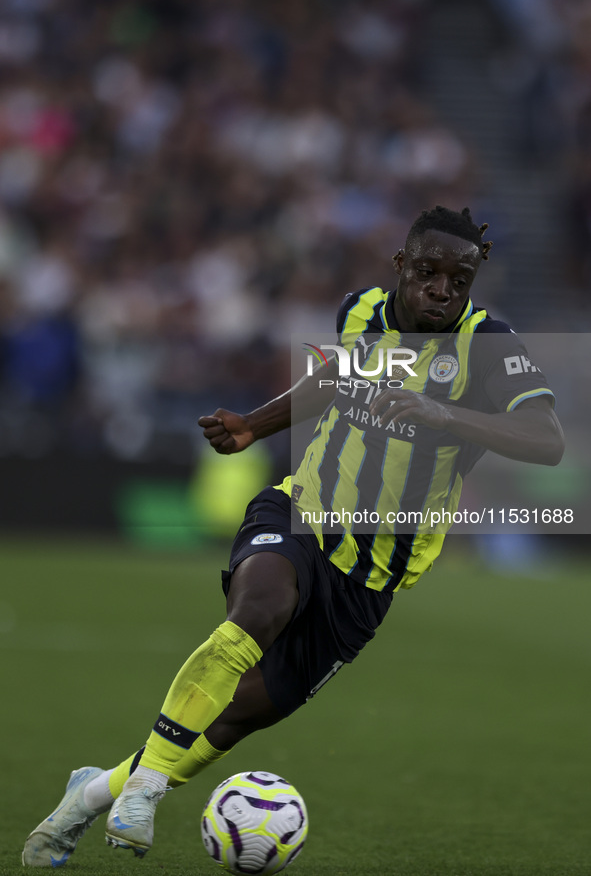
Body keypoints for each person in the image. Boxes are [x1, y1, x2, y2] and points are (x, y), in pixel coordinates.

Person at [22, 206, 564, 868]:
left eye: (459, 279)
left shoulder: (491, 346)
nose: (442, 290)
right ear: (402, 267)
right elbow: (333, 381)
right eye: (428, 272)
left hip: (370, 579)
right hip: (301, 514)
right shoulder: (359, 310)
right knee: (259, 610)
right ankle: (142, 793)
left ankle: (91, 794)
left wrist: (443, 412)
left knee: (233, 718)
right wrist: (254, 424)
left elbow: (546, 439)